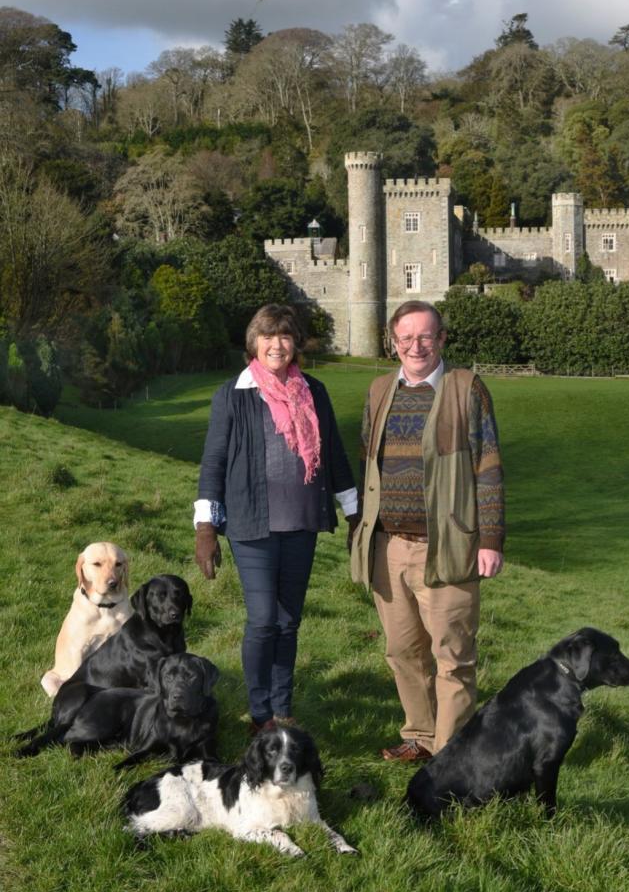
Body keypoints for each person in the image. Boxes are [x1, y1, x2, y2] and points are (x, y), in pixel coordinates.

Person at [350, 301, 505, 763]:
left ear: (441, 340)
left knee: (452, 655)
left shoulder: (465, 389)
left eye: (425, 337)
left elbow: (489, 466)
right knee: (402, 651)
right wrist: (359, 531)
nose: (415, 346)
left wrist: (491, 539)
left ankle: (452, 751)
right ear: (392, 343)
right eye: (406, 338)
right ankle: (420, 737)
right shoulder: (380, 390)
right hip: (387, 546)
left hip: (448, 545)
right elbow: (368, 467)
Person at [194, 303, 358, 732]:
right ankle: (259, 711)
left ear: (295, 343)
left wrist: (355, 513)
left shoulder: (314, 391)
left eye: (285, 336)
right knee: (264, 619)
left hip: (301, 522)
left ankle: (283, 709)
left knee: (289, 622)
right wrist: (206, 528)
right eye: (268, 336)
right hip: (252, 526)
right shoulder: (233, 394)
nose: (276, 345)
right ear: (254, 342)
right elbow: (213, 461)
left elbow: (335, 453)